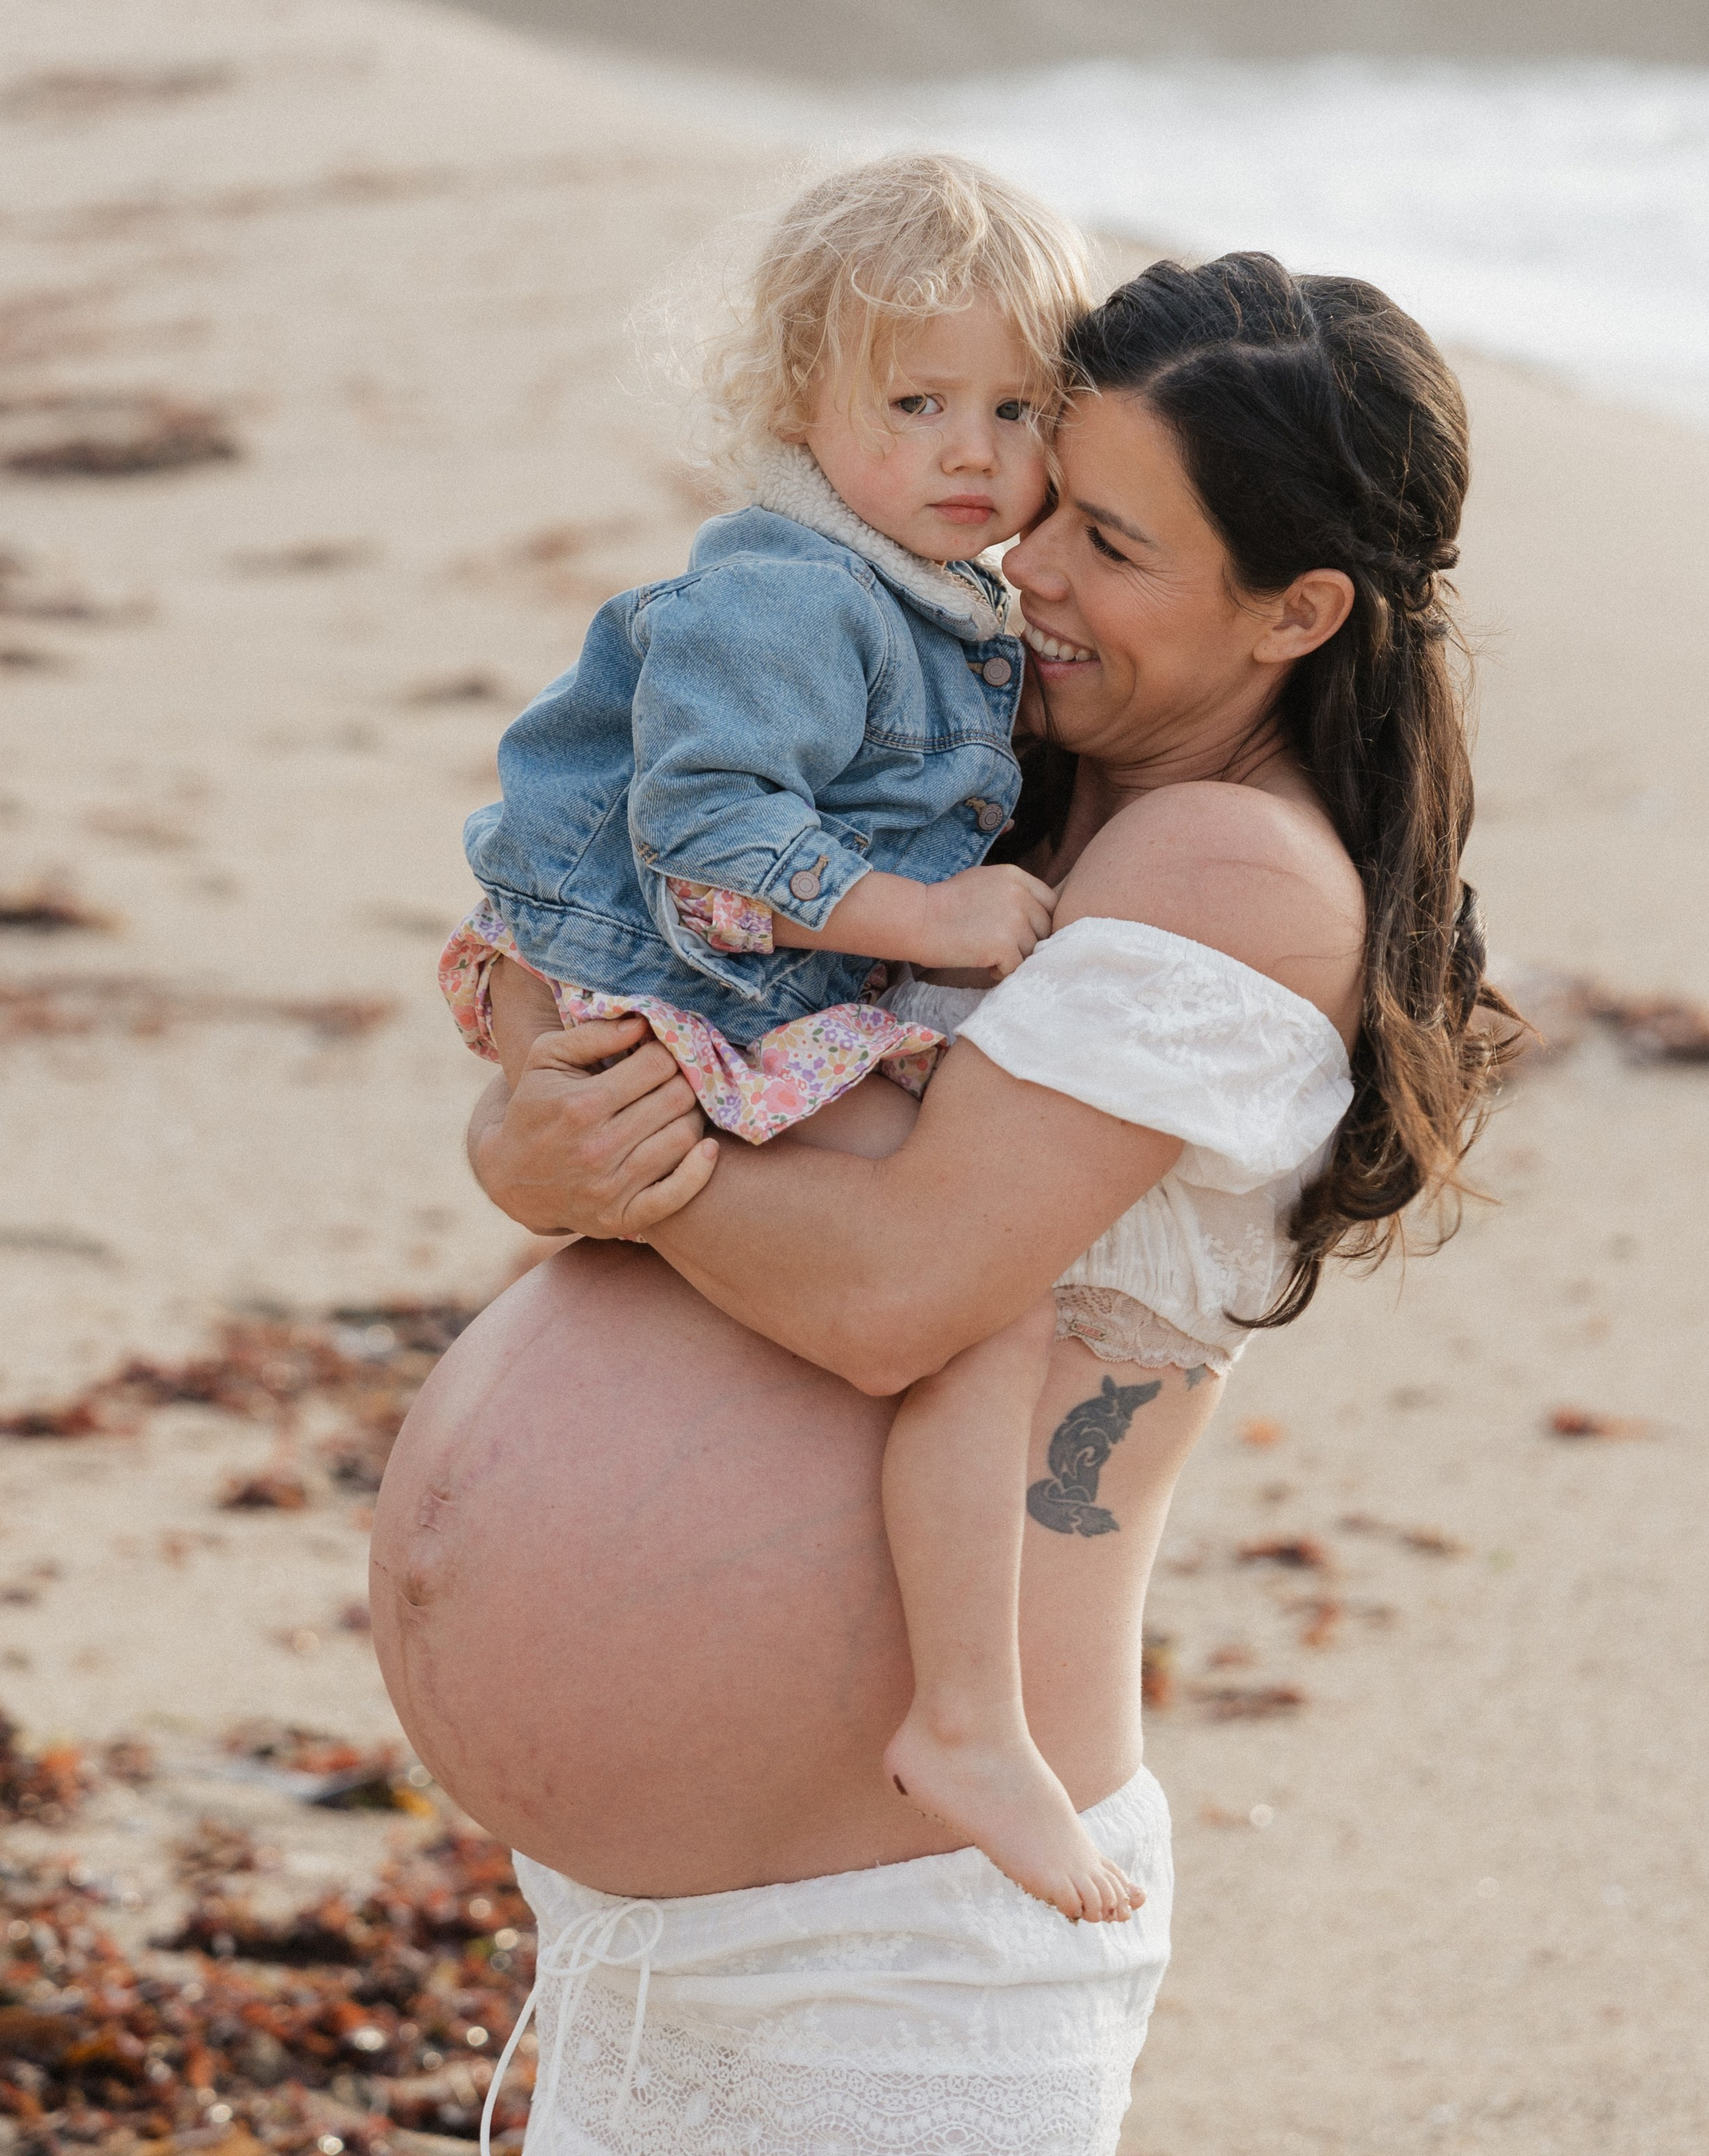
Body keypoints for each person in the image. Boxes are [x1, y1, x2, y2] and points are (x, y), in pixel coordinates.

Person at [372, 250, 1516, 2156]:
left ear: (1293, 609)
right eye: (1042, 499)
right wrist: (530, 1144)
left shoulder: (1227, 865)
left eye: (1116, 545)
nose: (1034, 566)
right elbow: (678, 1083)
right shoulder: (967, 800)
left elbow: (891, 1295)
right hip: (670, 1935)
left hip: (894, 1964)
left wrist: (619, 1164)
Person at [435, 151, 1137, 1919]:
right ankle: (967, 1717)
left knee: (962, 1300)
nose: (968, 451)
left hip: (728, 986)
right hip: (684, 977)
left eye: (1012, 406)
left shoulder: (933, 586)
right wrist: (927, 921)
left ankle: (965, 1708)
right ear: (793, 405)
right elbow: (706, 824)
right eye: (913, 404)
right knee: (971, 1312)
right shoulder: (792, 588)